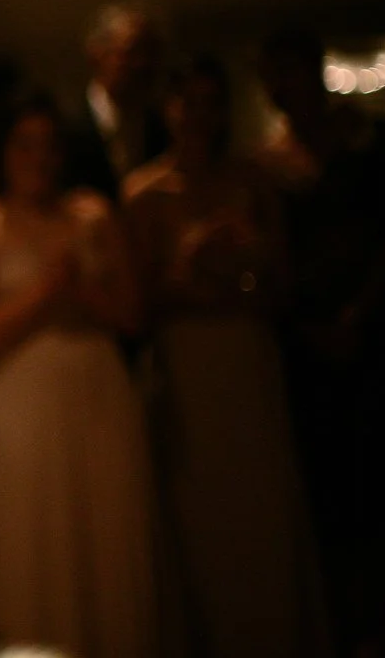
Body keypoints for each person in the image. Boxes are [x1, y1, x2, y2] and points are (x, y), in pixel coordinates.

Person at [122, 57, 328, 657]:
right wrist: (189, 266)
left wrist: (246, 269)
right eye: (188, 101)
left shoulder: (252, 180)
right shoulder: (144, 192)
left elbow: (283, 285)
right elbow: (140, 302)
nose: (199, 115)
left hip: (247, 355)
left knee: (261, 504)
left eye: (212, 102)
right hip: (186, 364)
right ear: (169, 109)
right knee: (198, 510)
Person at [0, 94, 157, 658]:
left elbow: (135, 314)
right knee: (37, 531)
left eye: (49, 145)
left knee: (106, 529)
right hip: (24, 395)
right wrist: (45, 293)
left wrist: (82, 292)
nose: (38, 158)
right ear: (6, 153)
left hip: (98, 385)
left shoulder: (92, 212)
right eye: (26, 144)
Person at [256, 28, 385, 656]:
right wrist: (305, 325)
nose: (286, 87)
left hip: (374, 329)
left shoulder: (364, 142)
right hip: (302, 343)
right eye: (274, 75)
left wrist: (359, 313)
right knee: (324, 488)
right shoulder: (267, 165)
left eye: (293, 71)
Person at [68, 4, 168, 198]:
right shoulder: (69, 125)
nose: (142, 63)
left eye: (150, 53)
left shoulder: (163, 125)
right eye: (131, 52)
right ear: (97, 53)